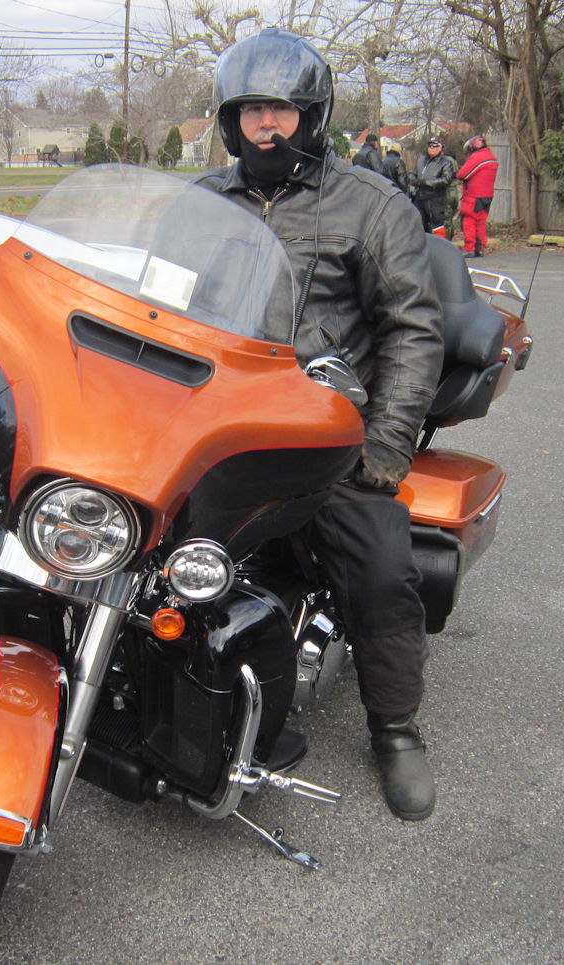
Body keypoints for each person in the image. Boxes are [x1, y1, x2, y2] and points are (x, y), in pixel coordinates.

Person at [195, 27, 444, 822]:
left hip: (324, 435)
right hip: (215, 425)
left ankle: (396, 729)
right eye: (249, 112)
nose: (265, 128)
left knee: (378, 570)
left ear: (311, 115)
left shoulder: (372, 205)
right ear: (230, 122)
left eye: (280, 112)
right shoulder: (199, 203)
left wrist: (384, 447)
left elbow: (412, 328)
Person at [456, 135, 499, 257]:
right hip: (488, 195)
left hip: (474, 196)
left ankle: (470, 248)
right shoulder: (491, 157)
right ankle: (480, 248)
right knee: (481, 222)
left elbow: (462, 174)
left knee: (468, 220)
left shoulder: (477, 157)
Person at [410, 136, 455, 234]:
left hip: (435, 199)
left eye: (435, 146)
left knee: (437, 226)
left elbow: (446, 180)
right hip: (420, 198)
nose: (432, 148)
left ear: (441, 148)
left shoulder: (445, 162)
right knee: (419, 225)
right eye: (430, 145)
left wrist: (427, 182)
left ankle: (439, 247)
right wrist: (414, 180)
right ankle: (421, 247)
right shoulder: (421, 160)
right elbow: (412, 173)